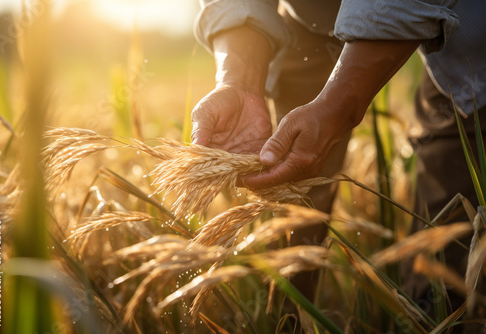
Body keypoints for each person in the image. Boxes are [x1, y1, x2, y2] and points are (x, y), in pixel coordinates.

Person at [191, 0, 486, 330]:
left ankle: (434, 317)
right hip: (312, 14)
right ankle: (282, 319)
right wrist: (238, 81)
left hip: (465, 22)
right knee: (290, 201)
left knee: (452, 212)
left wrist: (342, 100)